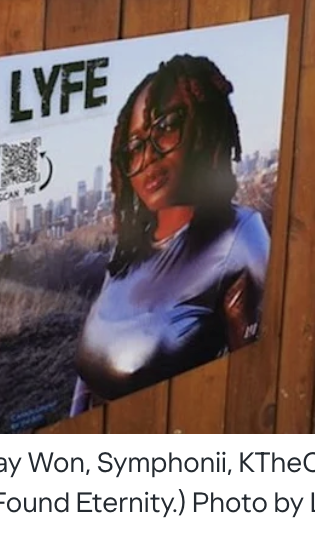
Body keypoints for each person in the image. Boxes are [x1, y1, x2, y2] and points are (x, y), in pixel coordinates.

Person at [71, 54, 269, 411]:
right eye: (131, 149)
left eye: (164, 127)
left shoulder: (240, 238)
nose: (146, 158)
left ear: (205, 126)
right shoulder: (127, 252)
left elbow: (255, 386)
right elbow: (84, 386)